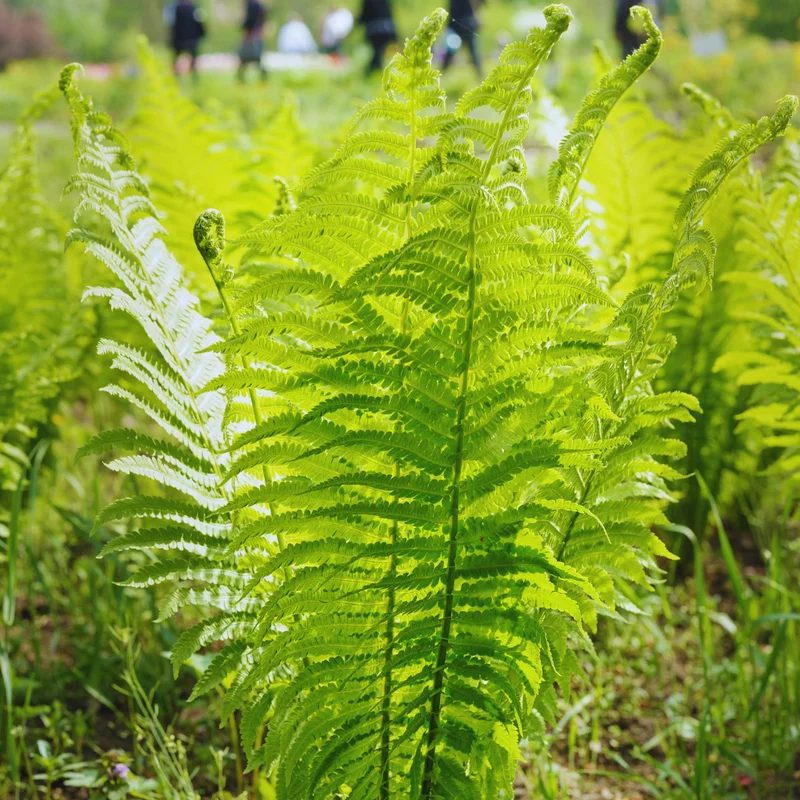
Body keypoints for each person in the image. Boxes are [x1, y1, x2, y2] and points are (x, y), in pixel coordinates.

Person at [166, 0, 206, 77]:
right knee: (193, 59)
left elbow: (170, 24)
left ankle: (176, 76)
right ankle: (194, 76)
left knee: (176, 58)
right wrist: (202, 34)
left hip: (178, 39)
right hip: (191, 39)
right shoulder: (194, 8)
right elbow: (199, 23)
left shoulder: (174, 7)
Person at [442, 0, 481, 76]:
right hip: (466, 24)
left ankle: (442, 73)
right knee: (473, 52)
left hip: (459, 25)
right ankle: (480, 74)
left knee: (452, 51)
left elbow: (451, 9)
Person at [357, 0, 396, 76]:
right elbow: (389, 13)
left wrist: (358, 22)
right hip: (386, 30)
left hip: (374, 31)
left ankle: (374, 71)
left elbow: (365, 13)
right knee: (379, 52)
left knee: (377, 52)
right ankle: (376, 71)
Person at [239, 0, 268, 81]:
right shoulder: (260, 5)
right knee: (256, 58)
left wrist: (243, 26)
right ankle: (263, 77)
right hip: (257, 33)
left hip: (251, 34)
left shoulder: (251, 4)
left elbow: (249, 20)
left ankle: (241, 79)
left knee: (245, 56)